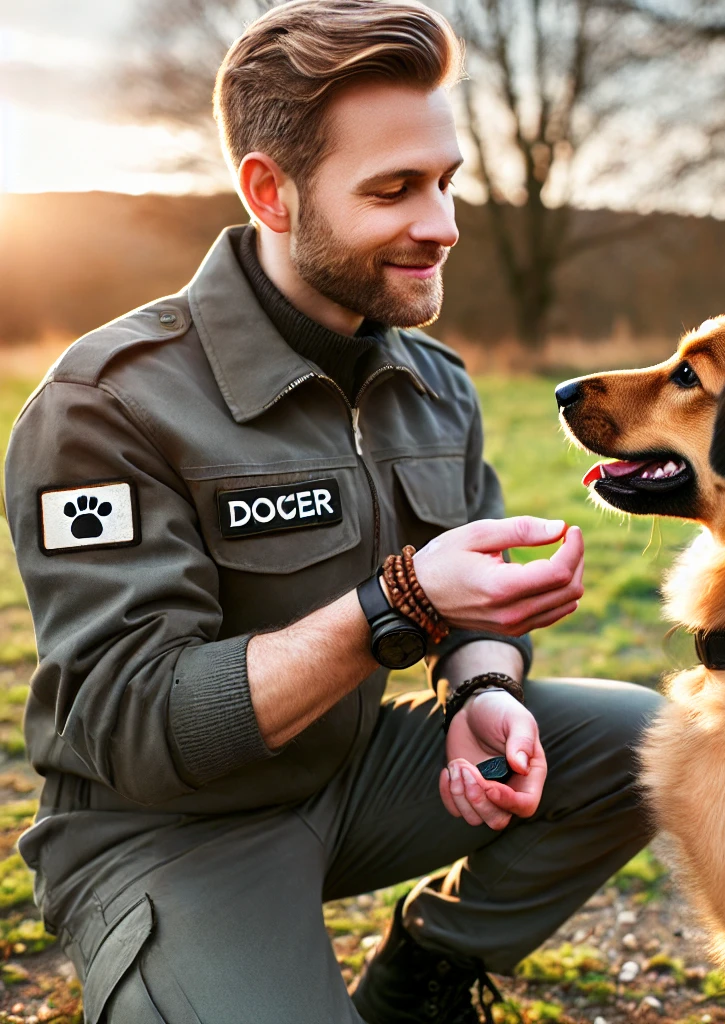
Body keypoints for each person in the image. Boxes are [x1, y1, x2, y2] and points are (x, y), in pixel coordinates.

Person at [2, 2, 663, 1021]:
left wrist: (481, 686)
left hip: (353, 770)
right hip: (167, 828)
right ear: (271, 190)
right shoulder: (109, 402)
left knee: (647, 739)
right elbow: (128, 720)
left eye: (444, 181)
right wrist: (396, 604)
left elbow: (466, 598)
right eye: (394, 189)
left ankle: (427, 973)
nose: (441, 223)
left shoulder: (435, 381)